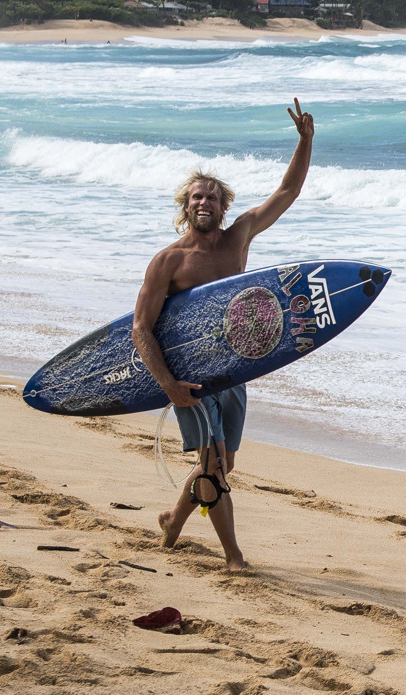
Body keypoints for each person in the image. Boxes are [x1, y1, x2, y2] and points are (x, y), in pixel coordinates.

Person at [133, 99, 316, 570]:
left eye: (212, 197)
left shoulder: (240, 238)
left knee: (223, 465)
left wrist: (305, 141)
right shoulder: (169, 262)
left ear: (224, 206)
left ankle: (173, 520)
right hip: (190, 378)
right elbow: (140, 328)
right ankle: (234, 556)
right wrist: (169, 387)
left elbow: (287, 192)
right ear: (185, 206)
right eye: (196, 197)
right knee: (214, 466)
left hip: (234, 371)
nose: (204, 203)